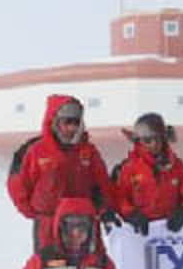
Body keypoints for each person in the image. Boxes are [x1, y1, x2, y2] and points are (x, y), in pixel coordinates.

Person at [7, 94, 121, 252]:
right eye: (67, 122)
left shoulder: (88, 152)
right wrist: (35, 213)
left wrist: (105, 210)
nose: (72, 127)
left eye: (76, 122)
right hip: (48, 225)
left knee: (90, 265)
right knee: (51, 266)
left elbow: (102, 184)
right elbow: (18, 184)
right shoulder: (35, 151)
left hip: (84, 225)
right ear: (55, 121)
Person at [114, 113, 183, 236]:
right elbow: (120, 197)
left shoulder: (177, 166)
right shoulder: (129, 168)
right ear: (139, 141)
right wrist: (131, 214)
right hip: (141, 234)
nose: (154, 144)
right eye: (148, 141)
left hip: (171, 233)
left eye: (158, 139)